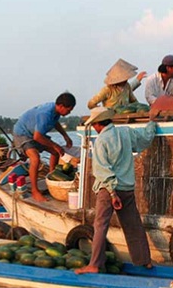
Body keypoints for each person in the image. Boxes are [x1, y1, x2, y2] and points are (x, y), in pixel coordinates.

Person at [75, 107, 157, 274]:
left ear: (98, 124)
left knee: (100, 226)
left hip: (108, 191)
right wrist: (152, 121)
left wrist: (112, 194)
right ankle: (144, 261)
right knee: (133, 225)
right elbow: (146, 139)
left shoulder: (101, 141)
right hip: (127, 188)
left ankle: (95, 265)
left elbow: (102, 170)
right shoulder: (125, 132)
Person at [13, 92, 76, 202]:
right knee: (35, 158)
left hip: (34, 133)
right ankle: (34, 191)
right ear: (61, 106)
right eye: (68, 110)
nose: (69, 112)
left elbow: (55, 123)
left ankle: (51, 180)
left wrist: (65, 136)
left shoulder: (55, 111)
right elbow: (37, 137)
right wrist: (56, 145)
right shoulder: (45, 113)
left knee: (56, 153)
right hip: (23, 134)